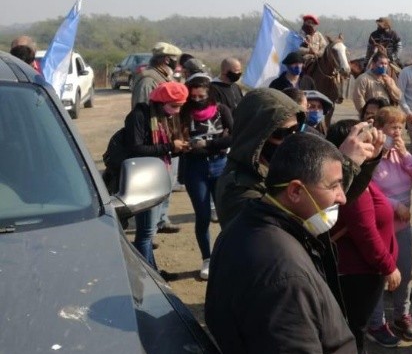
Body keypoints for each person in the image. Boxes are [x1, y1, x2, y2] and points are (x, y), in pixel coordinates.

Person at [205, 133, 358, 354]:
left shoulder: (250, 222)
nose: (343, 197)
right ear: (295, 191)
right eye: (334, 185)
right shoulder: (285, 276)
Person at [215, 88, 383, 229]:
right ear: (256, 136)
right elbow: (302, 220)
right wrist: (346, 162)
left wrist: (366, 161)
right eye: (281, 133)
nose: (291, 137)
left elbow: (336, 200)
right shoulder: (238, 188)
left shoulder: (275, 168)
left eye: (296, 129)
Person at [324, 120, 400, 354]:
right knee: (354, 329)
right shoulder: (352, 189)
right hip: (358, 272)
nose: (371, 147)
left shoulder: (358, 178)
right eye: (365, 142)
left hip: (359, 270)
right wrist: (388, 266)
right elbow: (365, 233)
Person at [367, 107, 412, 344]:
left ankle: (402, 315)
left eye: (401, 127)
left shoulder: (400, 154)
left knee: (406, 271)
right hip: (381, 227)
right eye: (393, 127)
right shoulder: (370, 157)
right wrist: (393, 206)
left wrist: (405, 155)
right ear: (380, 130)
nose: (398, 132)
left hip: (403, 228)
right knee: (380, 275)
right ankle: (376, 323)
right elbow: (366, 191)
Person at [123, 81, 189, 276]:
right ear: (161, 102)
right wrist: (170, 147)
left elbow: (166, 148)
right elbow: (135, 149)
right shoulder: (139, 116)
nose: (176, 111)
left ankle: (153, 272)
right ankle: (149, 276)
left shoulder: (164, 117)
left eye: (179, 107)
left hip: (159, 177)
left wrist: (179, 148)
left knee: (149, 232)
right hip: (144, 180)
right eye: (174, 106)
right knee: (145, 234)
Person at [179, 73, 233, 280]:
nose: (197, 101)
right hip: (196, 168)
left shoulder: (221, 111)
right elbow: (178, 136)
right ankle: (207, 258)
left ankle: (227, 256)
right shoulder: (185, 113)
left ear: (209, 95)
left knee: (225, 215)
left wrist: (209, 144)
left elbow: (234, 137)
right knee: (202, 216)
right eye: (193, 97)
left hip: (220, 165)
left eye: (201, 96)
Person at [131, 42, 182, 109]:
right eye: (176, 58)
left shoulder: (165, 76)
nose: (177, 62)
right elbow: (142, 112)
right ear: (167, 60)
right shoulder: (147, 81)